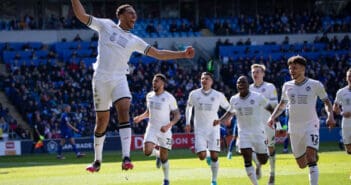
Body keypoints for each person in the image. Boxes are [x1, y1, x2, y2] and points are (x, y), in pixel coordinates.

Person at [71, 0, 195, 172]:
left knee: (124, 109)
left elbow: (158, 54)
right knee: (102, 123)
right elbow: (81, 16)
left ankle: (126, 158)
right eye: (130, 12)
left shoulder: (134, 40)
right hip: (100, 79)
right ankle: (97, 161)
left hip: (119, 78)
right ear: (120, 15)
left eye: (135, 14)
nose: (134, 16)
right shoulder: (106, 25)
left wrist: (182, 54)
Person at [267, 55, 336, 185]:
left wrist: (330, 116)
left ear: (303, 69)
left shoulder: (315, 84)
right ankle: (313, 155)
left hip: (311, 125)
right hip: (294, 128)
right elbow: (282, 104)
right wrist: (272, 117)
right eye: (290, 68)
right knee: (301, 164)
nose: (291, 71)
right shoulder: (287, 86)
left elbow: (327, 102)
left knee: (310, 157)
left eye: (295, 68)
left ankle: (313, 159)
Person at [214, 75, 273, 185]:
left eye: (243, 82)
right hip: (243, 133)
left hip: (258, 132)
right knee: (246, 158)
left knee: (263, 160)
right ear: (237, 86)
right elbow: (230, 112)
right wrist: (220, 120)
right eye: (238, 83)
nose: (241, 84)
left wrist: (273, 119)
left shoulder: (258, 97)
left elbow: (270, 107)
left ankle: (259, 164)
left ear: (248, 85)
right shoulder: (234, 99)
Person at [134, 74, 180, 185]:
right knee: (147, 151)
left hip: (165, 130)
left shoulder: (169, 97)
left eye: (156, 81)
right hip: (152, 128)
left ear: (162, 83)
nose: (154, 83)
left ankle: (166, 179)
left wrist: (169, 125)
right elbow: (148, 112)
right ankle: (157, 155)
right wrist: (140, 117)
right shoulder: (149, 95)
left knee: (165, 157)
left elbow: (177, 115)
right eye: (153, 81)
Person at [185, 72, 231, 185]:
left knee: (215, 156)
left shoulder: (218, 95)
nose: (204, 80)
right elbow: (189, 107)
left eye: (206, 78)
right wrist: (187, 122)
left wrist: (224, 119)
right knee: (201, 156)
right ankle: (207, 156)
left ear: (211, 81)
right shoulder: (194, 94)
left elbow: (230, 108)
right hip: (199, 129)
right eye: (202, 78)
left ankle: (214, 180)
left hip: (213, 129)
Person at [249, 64, 278, 184]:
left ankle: (272, 174)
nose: (255, 74)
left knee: (270, 148)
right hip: (253, 124)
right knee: (248, 148)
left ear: (263, 74)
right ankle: (258, 164)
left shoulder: (270, 87)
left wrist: (260, 100)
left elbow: (275, 103)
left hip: (267, 122)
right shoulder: (248, 88)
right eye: (253, 72)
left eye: (258, 72)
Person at [333, 68, 351, 179]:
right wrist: (342, 113)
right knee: (348, 148)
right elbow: (335, 107)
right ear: (346, 78)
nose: (350, 78)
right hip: (346, 123)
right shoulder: (341, 92)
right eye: (349, 76)